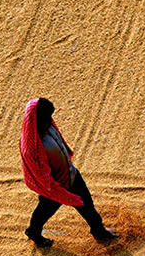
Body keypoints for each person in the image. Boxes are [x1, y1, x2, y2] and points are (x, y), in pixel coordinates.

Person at [19, 97, 117, 247]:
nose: (50, 121)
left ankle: (98, 230)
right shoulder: (33, 149)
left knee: (87, 203)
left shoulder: (46, 126)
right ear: (37, 120)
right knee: (44, 211)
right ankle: (33, 232)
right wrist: (64, 195)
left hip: (71, 174)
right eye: (46, 119)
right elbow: (45, 179)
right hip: (54, 186)